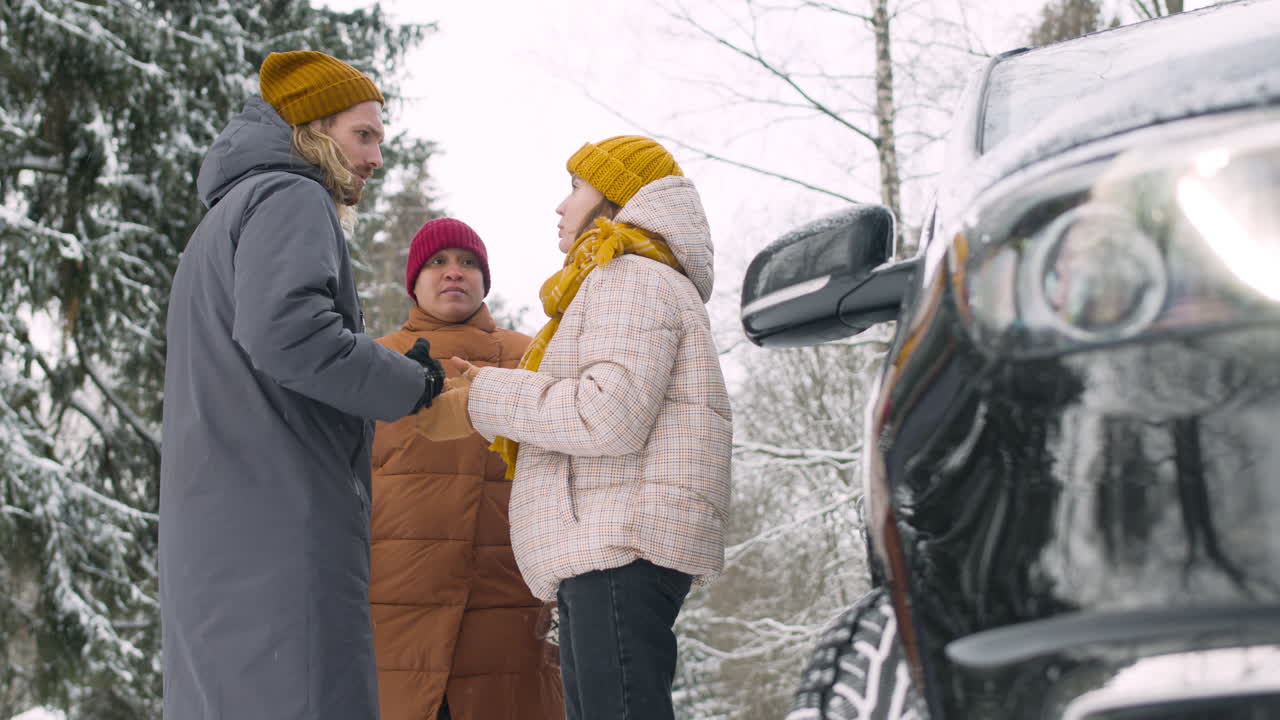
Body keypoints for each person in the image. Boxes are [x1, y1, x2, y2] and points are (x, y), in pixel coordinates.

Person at [160, 51, 446, 720]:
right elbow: (290, 335)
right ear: (314, 130)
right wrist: (414, 384)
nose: (376, 158)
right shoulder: (292, 195)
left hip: (223, 531)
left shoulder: (222, 221)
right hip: (280, 523)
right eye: (363, 135)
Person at [416, 136, 733, 720]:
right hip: (616, 545)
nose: (561, 207)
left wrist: (481, 396)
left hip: (617, 543)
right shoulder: (639, 276)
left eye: (574, 188)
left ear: (613, 196)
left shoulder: (628, 274)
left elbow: (603, 414)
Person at [368, 218, 564, 720]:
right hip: (396, 611)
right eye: (437, 262)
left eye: (468, 262)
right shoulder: (374, 365)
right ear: (413, 280)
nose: (454, 272)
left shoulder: (532, 358)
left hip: (510, 612)